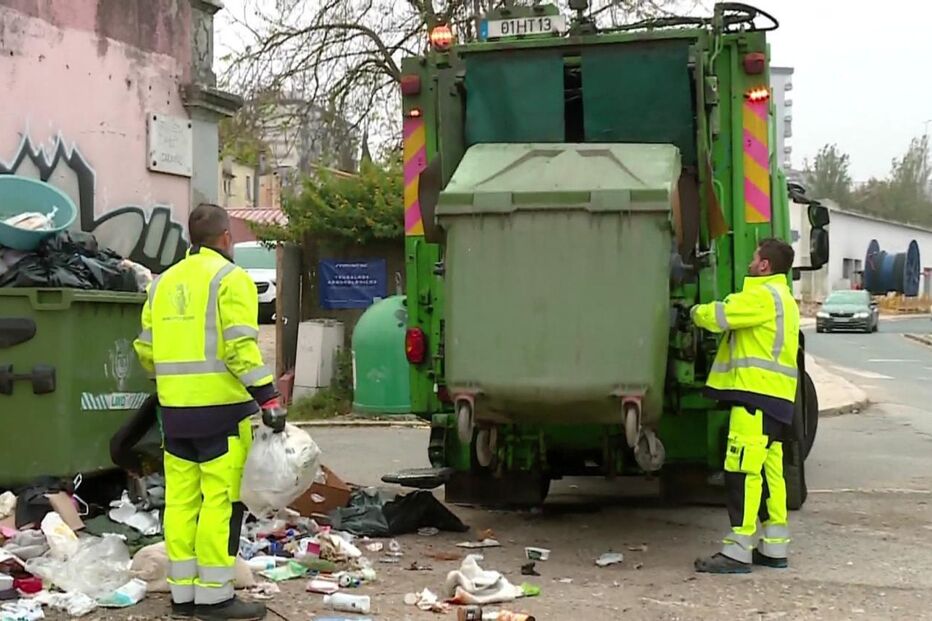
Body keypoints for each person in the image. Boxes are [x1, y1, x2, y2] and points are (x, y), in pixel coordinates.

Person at [133, 203, 286, 620]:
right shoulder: (230, 278)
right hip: (221, 412)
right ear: (225, 238)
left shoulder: (162, 283)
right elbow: (240, 347)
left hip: (175, 413)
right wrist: (269, 398)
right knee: (220, 502)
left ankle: (183, 594)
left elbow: (146, 350)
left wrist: (175, 384)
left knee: (181, 502)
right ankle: (215, 597)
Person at [690, 238, 800, 574]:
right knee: (771, 473)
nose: (751, 263)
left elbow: (721, 315)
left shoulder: (762, 296)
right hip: (777, 400)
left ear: (765, 265)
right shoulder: (785, 298)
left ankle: (738, 549)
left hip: (754, 397)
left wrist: (694, 312)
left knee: (742, 471)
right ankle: (774, 547)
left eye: (755, 258)